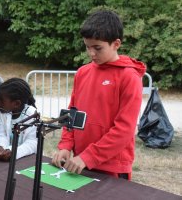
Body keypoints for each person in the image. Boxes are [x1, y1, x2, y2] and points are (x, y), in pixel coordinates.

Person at [51, 10, 146, 180]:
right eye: (87, 47)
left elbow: (124, 130)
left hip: (112, 166)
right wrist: (66, 145)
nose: (91, 53)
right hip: (79, 162)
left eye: (97, 48)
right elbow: (72, 114)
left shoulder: (129, 77)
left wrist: (89, 157)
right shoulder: (82, 72)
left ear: (116, 44)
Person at [0, 78, 38, 161]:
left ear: (16, 104)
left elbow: (32, 143)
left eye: (1, 100)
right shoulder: (2, 111)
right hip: (7, 159)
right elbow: (1, 134)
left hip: (26, 160)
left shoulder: (32, 114)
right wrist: (0, 147)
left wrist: (14, 152)